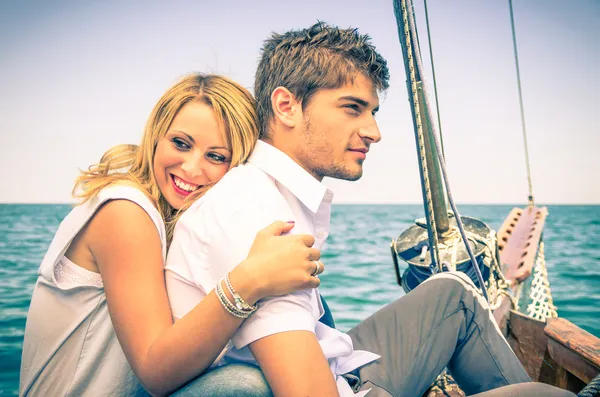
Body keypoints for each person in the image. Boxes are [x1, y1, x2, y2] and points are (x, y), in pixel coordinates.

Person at [165, 22, 576, 397]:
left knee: (453, 294)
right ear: (286, 106)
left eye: (373, 111)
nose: (373, 132)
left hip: (335, 368)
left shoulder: (269, 193)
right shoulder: (254, 213)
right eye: (352, 108)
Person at [19, 73, 326, 397]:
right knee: (247, 386)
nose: (192, 168)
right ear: (156, 135)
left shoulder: (174, 220)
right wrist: (250, 280)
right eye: (180, 143)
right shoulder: (126, 211)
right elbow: (155, 370)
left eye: (216, 156)